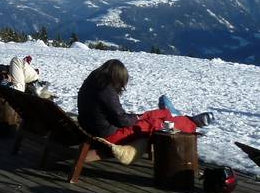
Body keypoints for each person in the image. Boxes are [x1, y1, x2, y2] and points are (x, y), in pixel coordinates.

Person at [76, 59, 213, 145]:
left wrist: (135, 117)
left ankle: (168, 113)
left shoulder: (92, 84)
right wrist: (134, 118)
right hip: (109, 134)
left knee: (145, 116)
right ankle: (190, 123)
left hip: (94, 127)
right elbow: (121, 120)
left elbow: (115, 115)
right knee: (154, 124)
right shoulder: (106, 90)